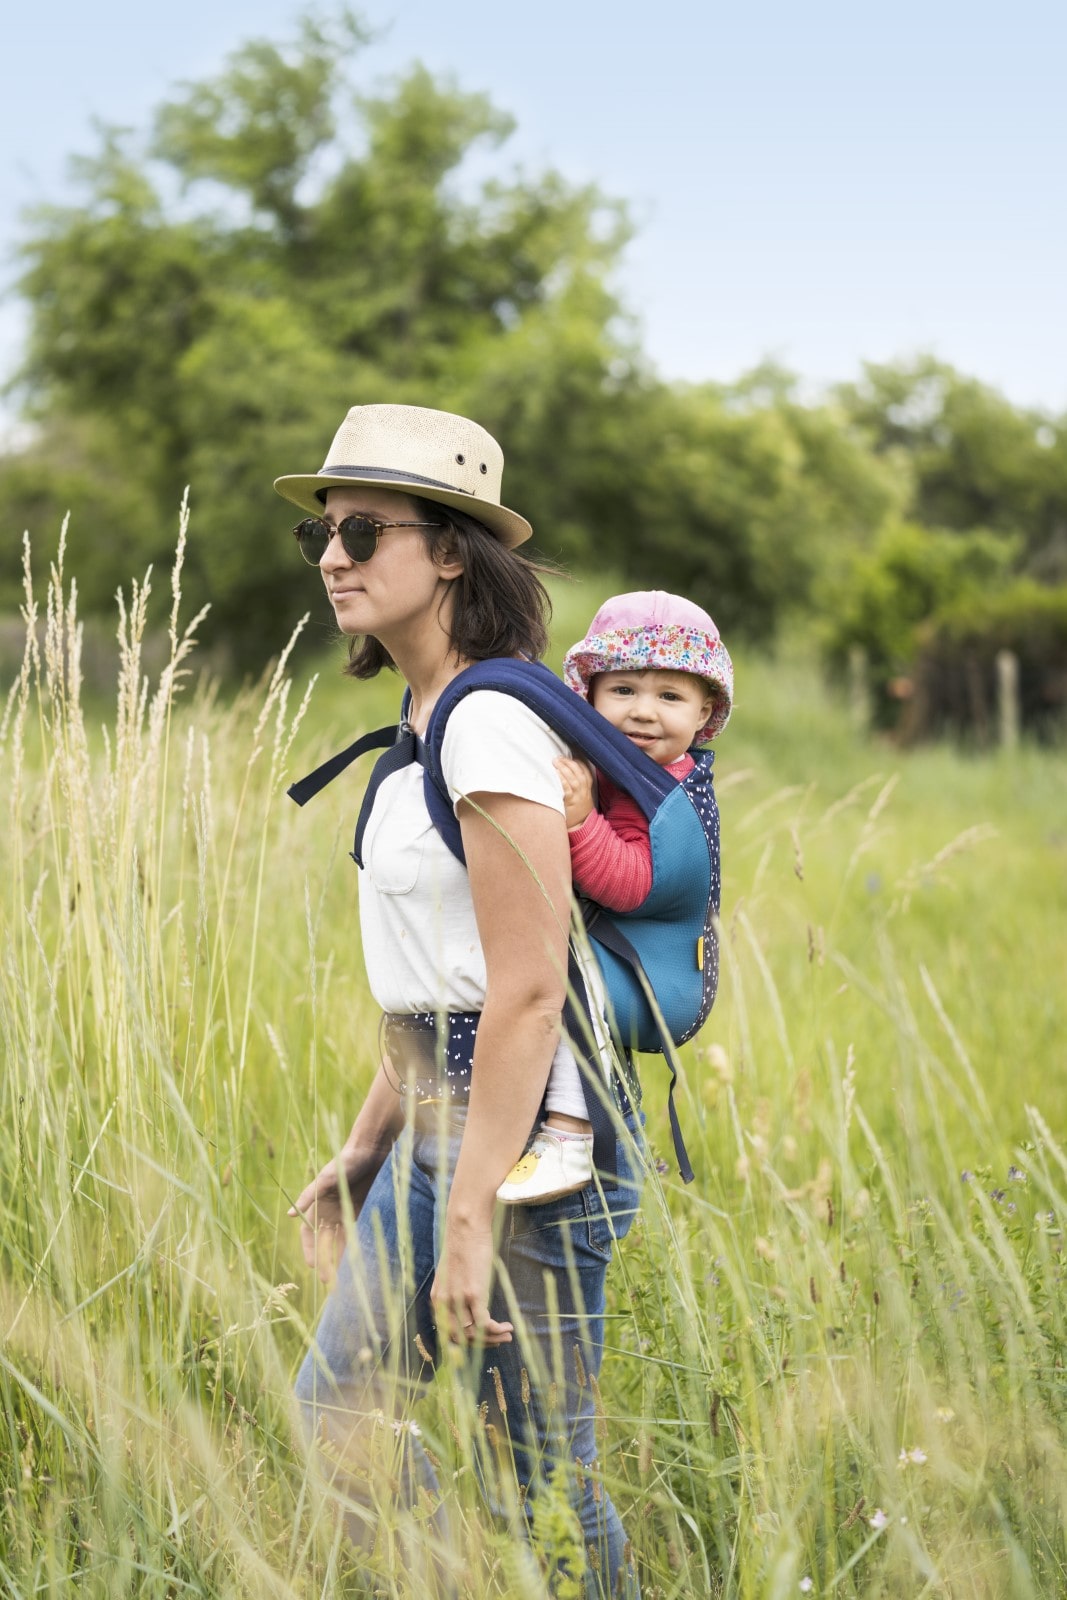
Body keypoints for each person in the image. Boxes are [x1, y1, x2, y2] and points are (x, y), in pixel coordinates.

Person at [278, 404, 644, 1598]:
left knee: (538, 1475)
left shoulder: (487, 722)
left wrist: (472, 1208)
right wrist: (365, 1142)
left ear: (449, 551)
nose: (333, 556)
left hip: (525, 1137)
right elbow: (444, 974)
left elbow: (528, 991)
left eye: (363, 531)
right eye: (324, 536)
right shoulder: (427, 719)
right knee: (342, 1412)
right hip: (441, 1114)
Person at [495, 591, 733, 1208]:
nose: (643, 713)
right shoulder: (620, 766)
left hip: (646, 968)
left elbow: (633, 884)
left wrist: (579, 824)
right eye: (623, 691)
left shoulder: (661, 788)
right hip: (623, 951)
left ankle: (572, 1132)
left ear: (705, 711)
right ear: (591, 696)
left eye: (670, 696)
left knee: (563, 983)